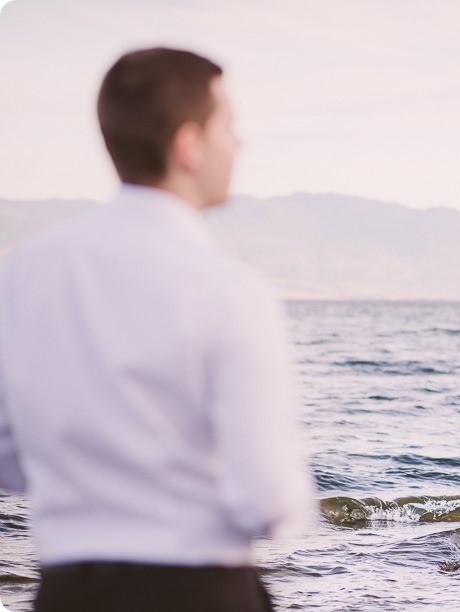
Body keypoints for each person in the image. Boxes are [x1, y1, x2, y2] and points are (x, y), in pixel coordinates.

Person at [0, 47, 314, 611]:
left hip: (69, 593)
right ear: (188, 144)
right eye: (228, 126)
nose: (239, 144)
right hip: (203, 592)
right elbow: (266, 498)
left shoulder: (25, 272)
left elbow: (5, 448)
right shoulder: (231, 291)